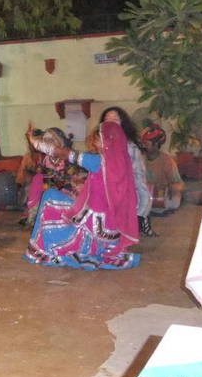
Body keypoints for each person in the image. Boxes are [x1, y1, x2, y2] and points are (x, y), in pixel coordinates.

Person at [24, 121, 141, 270]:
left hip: (94, 222)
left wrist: (36, 143)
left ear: (106, 141)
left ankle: (43, 251)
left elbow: (62, 153)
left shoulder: (98, 161)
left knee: (49, 197)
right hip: (112, 225)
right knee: (61, 195)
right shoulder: (122, 161)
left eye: (99, 138)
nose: (95, 141)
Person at [99, 107, 155, 237]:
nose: (111, 123)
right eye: (107, 120)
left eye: (115, 119)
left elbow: (139, 179)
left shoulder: (130, 148)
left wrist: (140, 212)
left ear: (123, 123)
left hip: (124, 196)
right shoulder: (99, 144)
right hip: (104, 195)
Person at [17, 127, 85, 226]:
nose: (49, 144)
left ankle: (63, 215)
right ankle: (35, 213)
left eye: (52, 141)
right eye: (46, 141)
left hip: (65, 187)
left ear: (60, 143)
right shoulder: (44, 159)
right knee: (38, 179)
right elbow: (41, 173)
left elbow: (74, 177)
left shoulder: (68, 158)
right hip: (48, 187)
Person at [140, 123, 184, 216]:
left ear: (156, 144)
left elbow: (180, 185)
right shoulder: (140, 159)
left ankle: (152, 208)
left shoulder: (167, 160)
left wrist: (166, 188)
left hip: (161, 195)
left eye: (146, 144)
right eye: (143, 143)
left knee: (174, 201)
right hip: (145, 194)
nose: (143, 146)